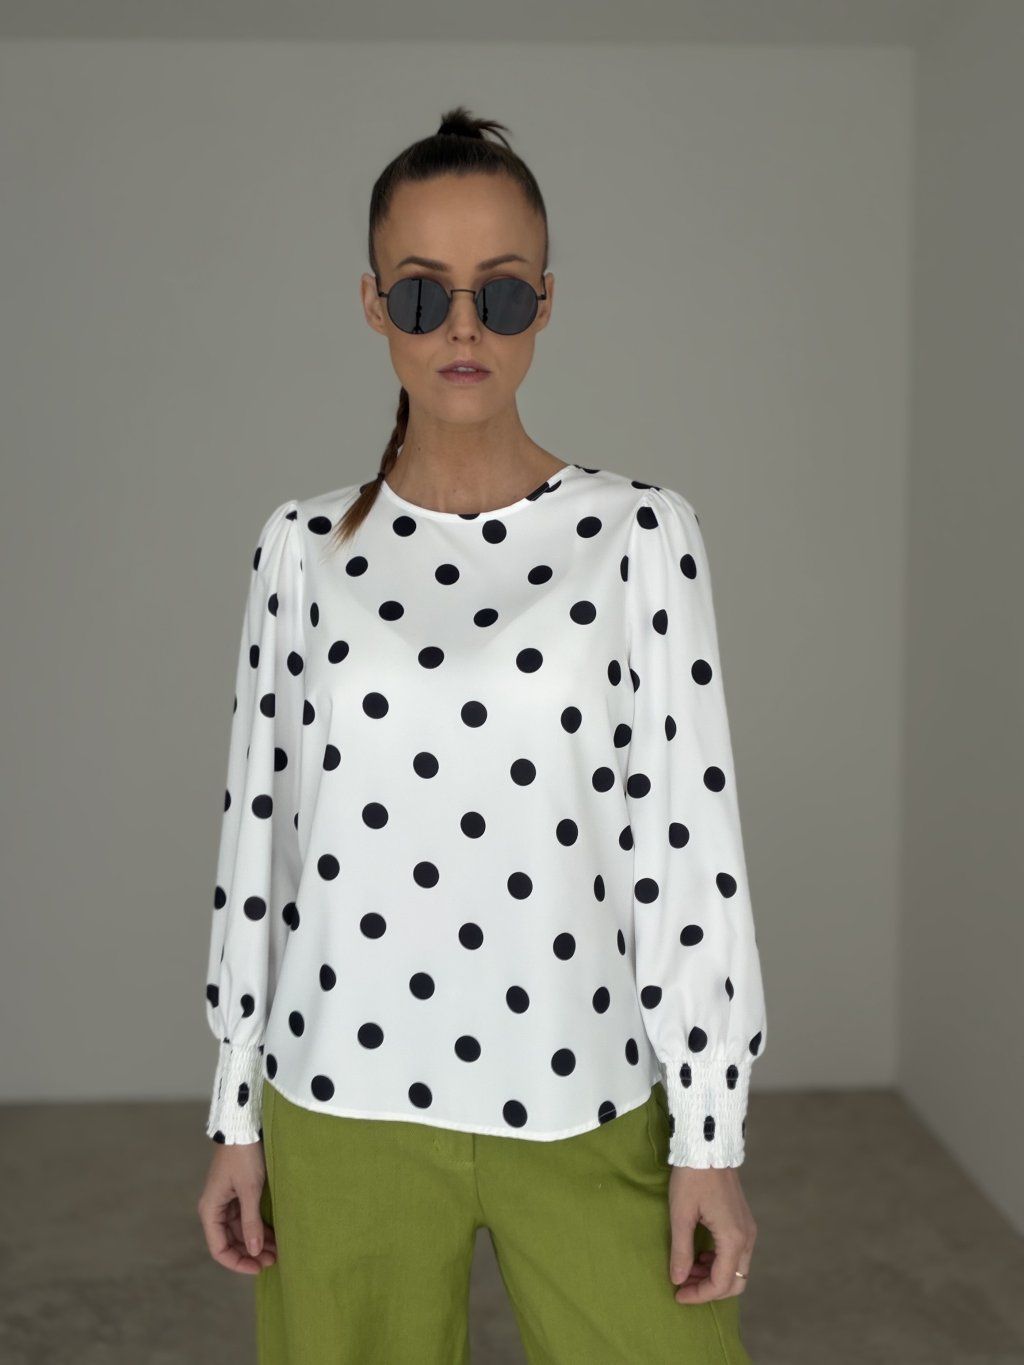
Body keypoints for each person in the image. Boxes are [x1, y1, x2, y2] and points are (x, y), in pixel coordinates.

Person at [196, 104, 768, 1365]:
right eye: (422, 294)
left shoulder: (639, 536)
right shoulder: (300, 550)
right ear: (372, 304)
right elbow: (260, 846)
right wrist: (235, 1113)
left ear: (544, 304)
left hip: (584, 1087)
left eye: (500, 295)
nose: (463, 329)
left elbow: (686, 846)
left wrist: (708, 1136)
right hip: (337, 1101)